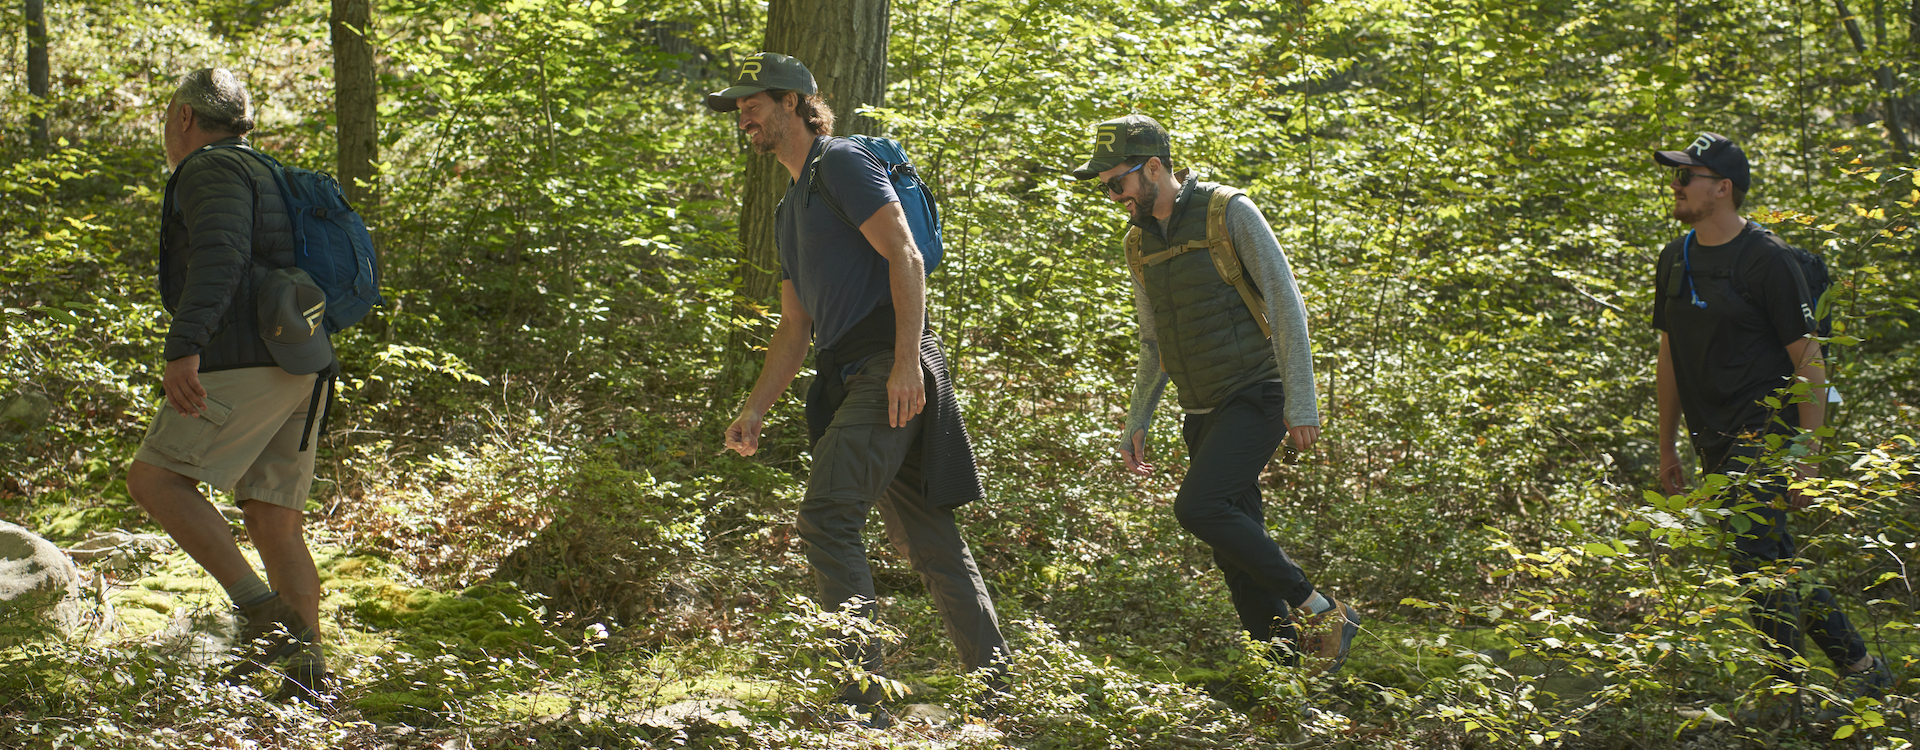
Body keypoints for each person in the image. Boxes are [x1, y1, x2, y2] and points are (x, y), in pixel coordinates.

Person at [706, 52, 1008, 726]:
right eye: (737, 108)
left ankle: (860, 705)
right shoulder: (789, 207)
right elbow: (795, 324)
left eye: (752, 102)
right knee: (931, 542)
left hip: (888, 367)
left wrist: (905, 363)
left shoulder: (841, 163)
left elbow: (903, 255)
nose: (742, 115)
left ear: (793, 101)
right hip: (853, 375)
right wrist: (754, 408)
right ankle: (998, 697)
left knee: (826, 517)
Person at [1070, 115, 1360, 673]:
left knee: (1199, 507)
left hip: (1256, 393)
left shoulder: (1229, 211)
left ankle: (1322, 609)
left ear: (1153, 167)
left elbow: (1285, 302)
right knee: (1234, 553)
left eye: (1117, 182)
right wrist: (1139, 420)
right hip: (1199, 408)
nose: (1112, 196)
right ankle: (1283, 680)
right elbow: (1153, 340)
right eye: (1105, 186)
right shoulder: (1139, 242)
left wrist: (1302, 402)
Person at [1651, 132, 1892, 714]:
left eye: (1687, 177)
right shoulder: (1674, 257)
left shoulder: (1768, 259)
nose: (1676, 186)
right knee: (1763, 558)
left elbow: (1810, 363)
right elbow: (1669, 355)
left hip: (1767, 434)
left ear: (1722, 188)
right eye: (1676, 176)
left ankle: (1784, 696)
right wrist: (1666, 446)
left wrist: (1807, 458)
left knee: (1754, 554)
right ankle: (1858, 667)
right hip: (1711, 433)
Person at [126, 68, 335, 703]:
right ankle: (306, 681)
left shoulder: (208, 170)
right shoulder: (261, 168)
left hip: (245, 356)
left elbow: (221, 257)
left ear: (185, 116)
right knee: (273, 517)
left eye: (168, 116)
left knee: (155, 479)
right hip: (300, 357)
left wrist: (184, 347)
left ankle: (262, 617)